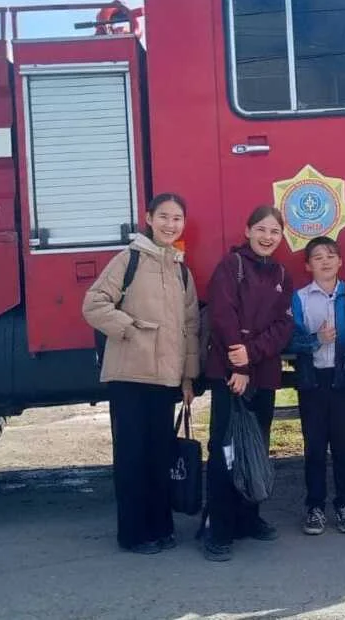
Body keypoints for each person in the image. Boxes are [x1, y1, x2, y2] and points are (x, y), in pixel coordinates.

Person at [81, 193, 198, 555]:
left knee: (159, 456)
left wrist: (188, 378)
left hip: (165, 381)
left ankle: (161, 527)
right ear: (148, 218)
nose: (170, 224)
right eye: (163, 216)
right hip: (130, 377)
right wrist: (129, 328)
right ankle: (132, 534)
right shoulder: (128, 259)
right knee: (133, 458)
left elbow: (190, 327)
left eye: (177, 219)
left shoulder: (181, 269)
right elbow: (94, 304)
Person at [200, 205, 294, 562]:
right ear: (248, 229)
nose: (268, 237)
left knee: (256, 448)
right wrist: (237, 367)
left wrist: (251, 356)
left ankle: (248, 519)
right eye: (262, 230)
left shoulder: (283, 273)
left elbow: (283, 327)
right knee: (226, 452)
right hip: (229, 376)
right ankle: (219, 531)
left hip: (263, 375)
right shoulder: (230, 267)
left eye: (275, 232)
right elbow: (224, 318)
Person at [289, 236, 345, 536]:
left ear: (341, 262)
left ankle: (343, 504)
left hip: (343, 380)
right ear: (308, 266)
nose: (325, 261)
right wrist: (317, 340)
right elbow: (291, 341)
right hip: (312, 381)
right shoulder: (298, 298)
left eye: (331, 256)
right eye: (318, 257)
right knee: (313, 446)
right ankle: (314, 506)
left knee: (342, 446)